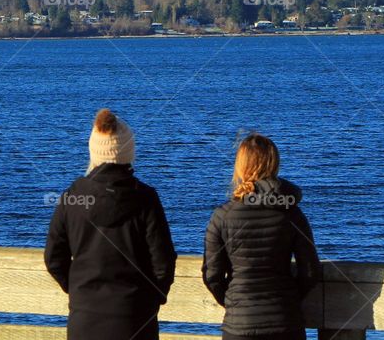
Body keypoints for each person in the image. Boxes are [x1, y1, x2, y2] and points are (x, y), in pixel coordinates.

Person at [45, 109, 176, 340]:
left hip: (84, 321)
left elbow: (54, 258)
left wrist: (78, 291)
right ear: (128, 152)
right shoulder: (145, 199)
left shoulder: (72, 198)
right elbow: (163, 262)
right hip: (134, 319)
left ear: (94, 150)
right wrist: (150, 301)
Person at [203, 134, 322, 340]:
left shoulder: (222, 216)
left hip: (239, 326)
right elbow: (310, 271)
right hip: (285, 322)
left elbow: (212, 275)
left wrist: (234, 303)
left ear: (240, 166)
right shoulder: (291, 213)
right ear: (274, 164)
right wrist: (289, 299)